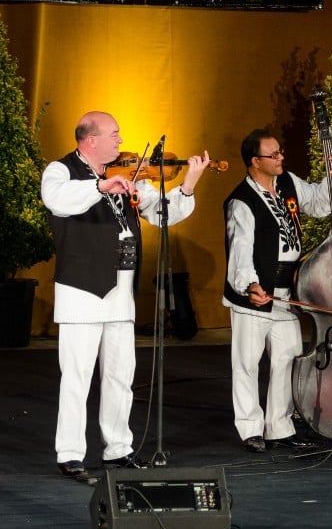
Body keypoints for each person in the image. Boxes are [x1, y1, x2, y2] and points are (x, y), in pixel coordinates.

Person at [41, 111, 210, 483]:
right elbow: (56, 200)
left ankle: (118, 449)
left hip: (120, 291)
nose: (120, 142)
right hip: (82, 291)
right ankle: (70, 454)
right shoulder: (61, 171)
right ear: (91, 140)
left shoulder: (128, 177)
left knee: (121, 374)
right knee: (78, 376)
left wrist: (189, 184)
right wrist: (102, 187)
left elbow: (165, 213)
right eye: (114, 135)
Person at [222, 129, 332, 453]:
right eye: (272, 155)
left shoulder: (288, 182)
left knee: (287, 357)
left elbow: (318, 205)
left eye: (280, 153)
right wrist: (250, 284)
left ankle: (279, 425)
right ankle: (250, 428)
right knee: (247, 362)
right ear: (254, 162)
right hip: (255, 294)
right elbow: (241, 248)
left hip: (285, 292)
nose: (280, 159)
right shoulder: (241, 201)